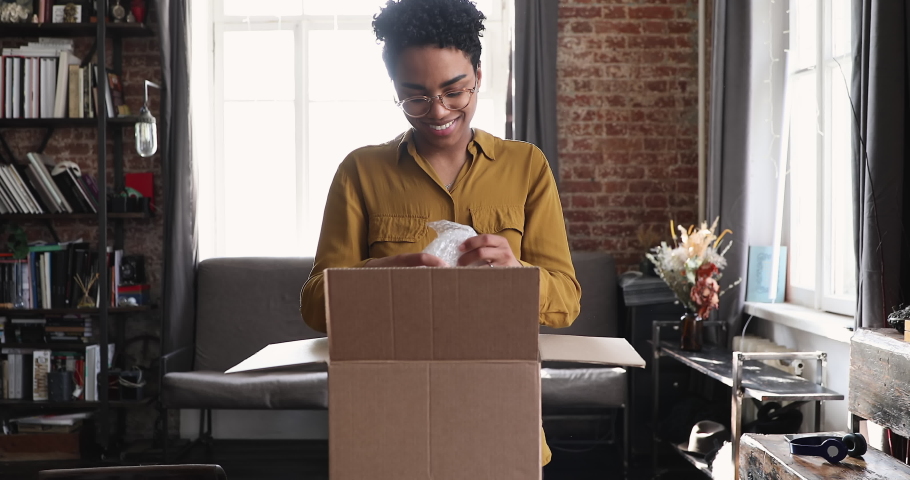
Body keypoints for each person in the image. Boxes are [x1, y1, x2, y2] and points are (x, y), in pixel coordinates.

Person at [299, 0, 581, 467]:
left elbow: (567, 300)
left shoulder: (527, 167)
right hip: (388, 422)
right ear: (394, 89)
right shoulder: (360, 172)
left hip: (502, 415)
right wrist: (379, 276)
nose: (438, 111)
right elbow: (313, 304)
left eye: (455, 91)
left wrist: (516, 274)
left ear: (479, 76)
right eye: (415, 96)